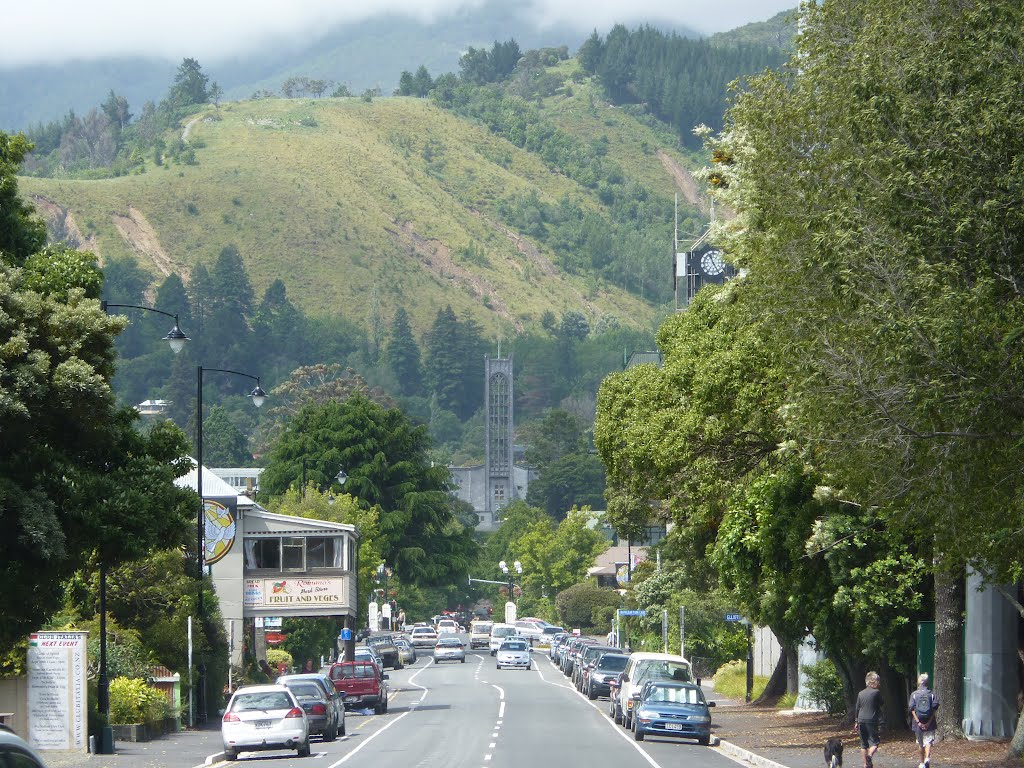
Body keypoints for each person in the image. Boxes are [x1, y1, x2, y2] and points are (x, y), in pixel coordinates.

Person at [909, 672, 939, 768]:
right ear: (927, 682)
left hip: (917, 722)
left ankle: (921, 763)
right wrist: (929, 722)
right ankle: (927, 758)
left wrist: (918, 722)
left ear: (919, 683)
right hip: (929, 721)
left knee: (920, 743)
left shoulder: (914, 694)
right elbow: (934, 708)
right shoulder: (932, 694)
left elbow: (911, 709)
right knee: (929, 741)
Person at [854, 671, 883, 768]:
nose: (879, 684)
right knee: (875, 742)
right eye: (878, 682)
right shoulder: (877, 692)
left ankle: (865, 765)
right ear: (873, 682)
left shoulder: (860, 693)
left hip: (861, 719)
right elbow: (881, 703)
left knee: (863, 744)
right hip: (871, 719)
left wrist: (856, 721)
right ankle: (869, 756)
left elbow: (857, 707)